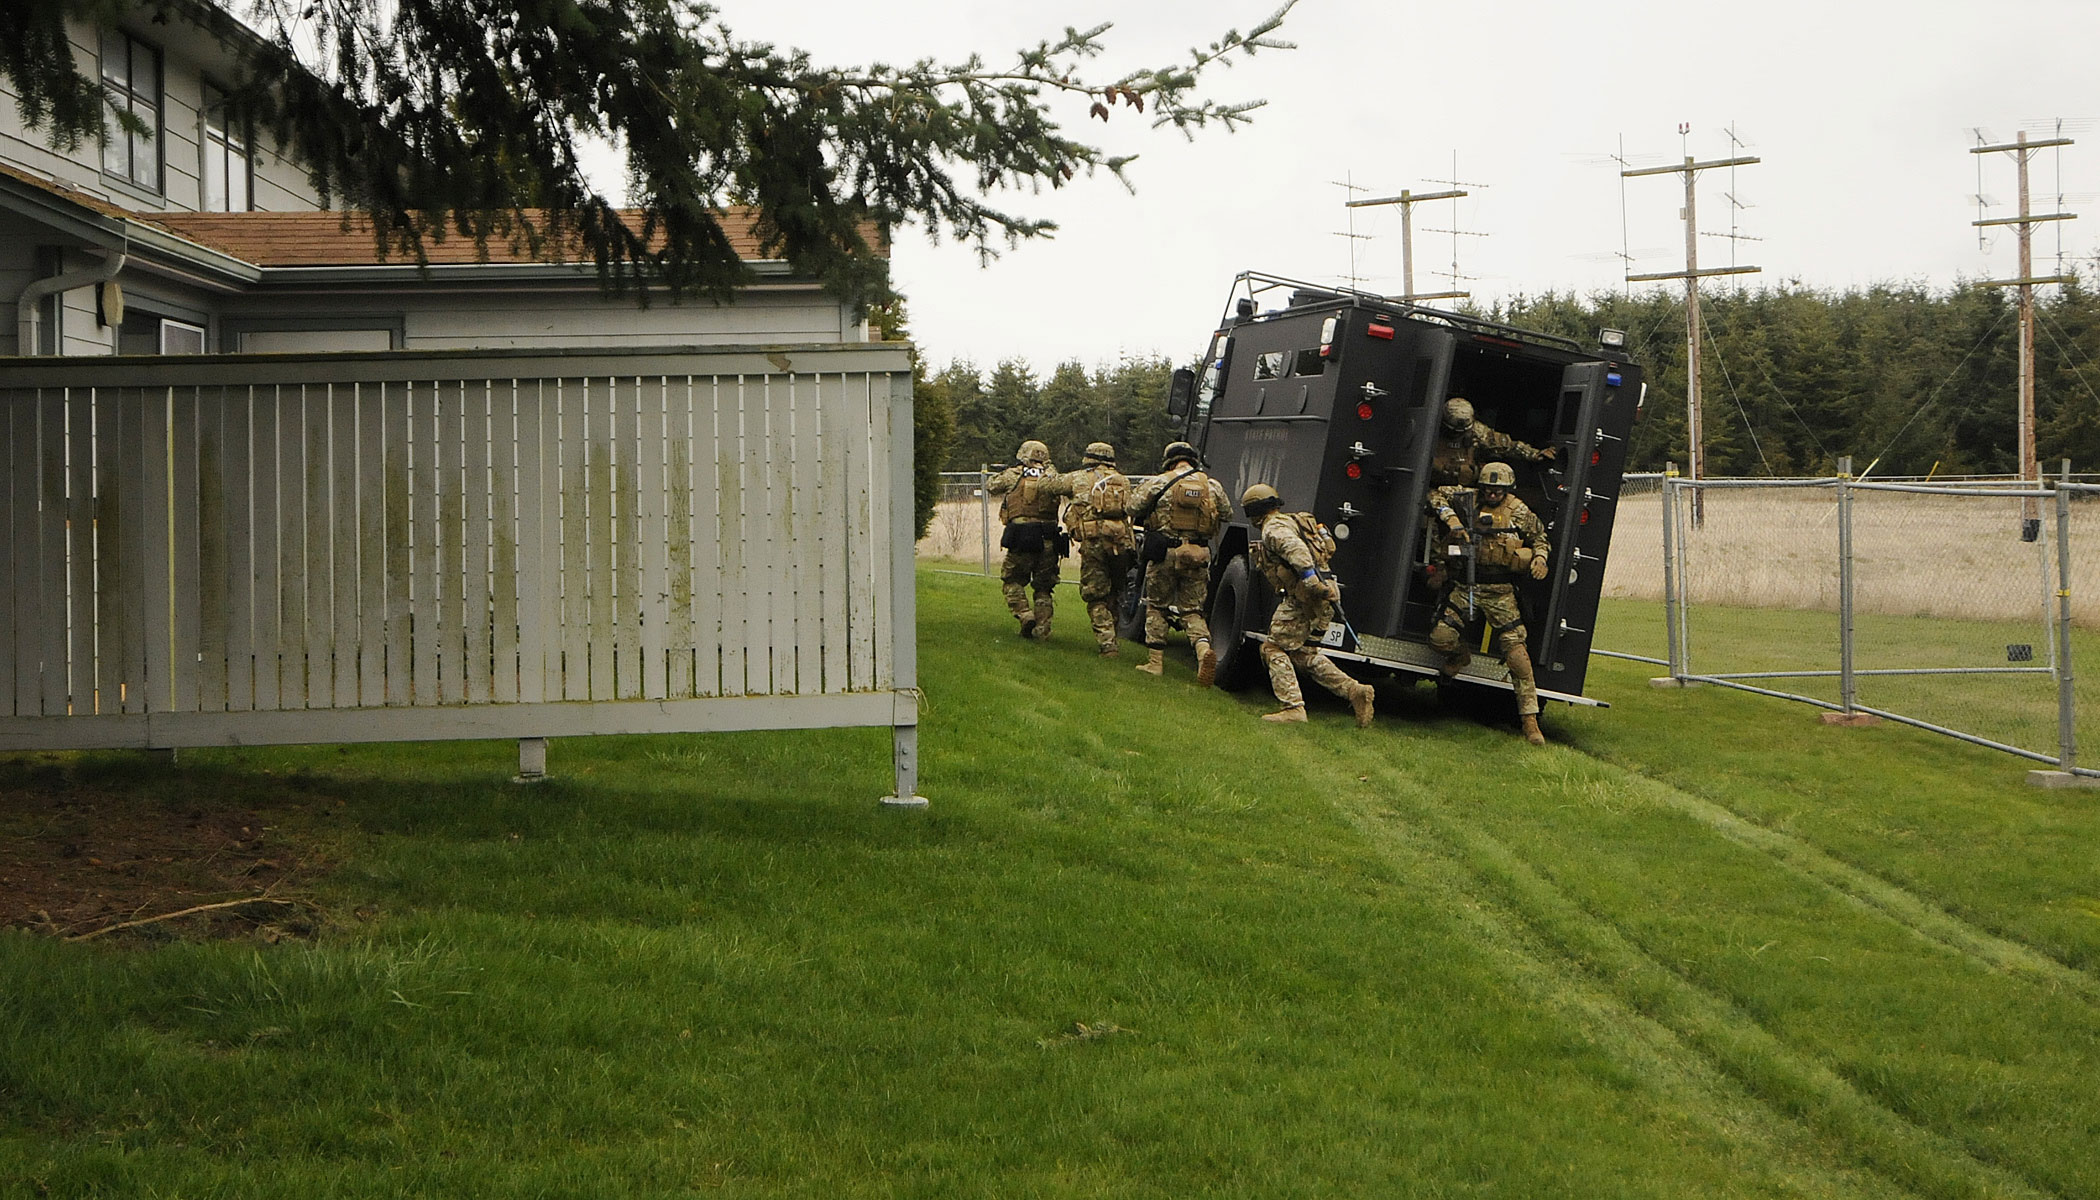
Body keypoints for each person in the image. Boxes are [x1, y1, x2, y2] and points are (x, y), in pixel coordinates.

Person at [1426, 460, 1552, 745]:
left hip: (1500, 592)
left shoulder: (1518, 511)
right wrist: (1454, 521)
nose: (1492, 494)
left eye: (1498, 490)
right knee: (1440, 637)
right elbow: (1434, 494)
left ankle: (1530, 722)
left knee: (1517, 655)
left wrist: (1541, 559)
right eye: (1488, 489)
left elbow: (1540, 538)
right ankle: (1458, 656)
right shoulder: (1466, 498)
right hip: (1465, 585)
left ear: (1507, 489)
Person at [1243, 484, 1376, 726]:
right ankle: (1355, 691)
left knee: (1272, 648)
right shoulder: (1294, 521)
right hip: (1326, 594)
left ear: (1254, 511)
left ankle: (1293, 707)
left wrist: (1312, 582)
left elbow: (1297, 551)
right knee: (1305, 654)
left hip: (1307, 596)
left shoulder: (1273, 528)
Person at [1128, 441, 1232, 683]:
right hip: (1196, 555)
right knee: (1192, 610)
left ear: (1169, 461)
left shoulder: (1160, 481)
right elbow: (1227, 514)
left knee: (1157, 606)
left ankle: (1155, 663)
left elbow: (1132, 506)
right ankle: (1204, 652)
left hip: (1164, 553)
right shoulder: (1212, 485)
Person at [1042, 442, 1137, 656]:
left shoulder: (1079, 478)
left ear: (1088, 458)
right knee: (1114, 591)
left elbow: (1048, 487)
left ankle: (1108, 644)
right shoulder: (1123, 480)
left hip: (1094, 542)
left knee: (1095, 595)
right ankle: (1112, 633)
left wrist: (1048, 468)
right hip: (1120, 543)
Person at [985, 440, 1063, 641]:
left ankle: (1025, 615)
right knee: (1044, 588)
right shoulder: (1052, 476)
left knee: (1011, 580)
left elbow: (991, 486)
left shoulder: (1015, 475)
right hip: (1049, 537)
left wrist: (1007, 470)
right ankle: (1043, 630)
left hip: (1022, 536)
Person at [1430, 396, 1558, 489]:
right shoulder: (1429, 430)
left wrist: (1535, 454)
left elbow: (1509, 446)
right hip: (1430, 486)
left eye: (1461, 432)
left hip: (1464, 488)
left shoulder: (1478, 432)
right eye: (1453, 431)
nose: (1457, 434)